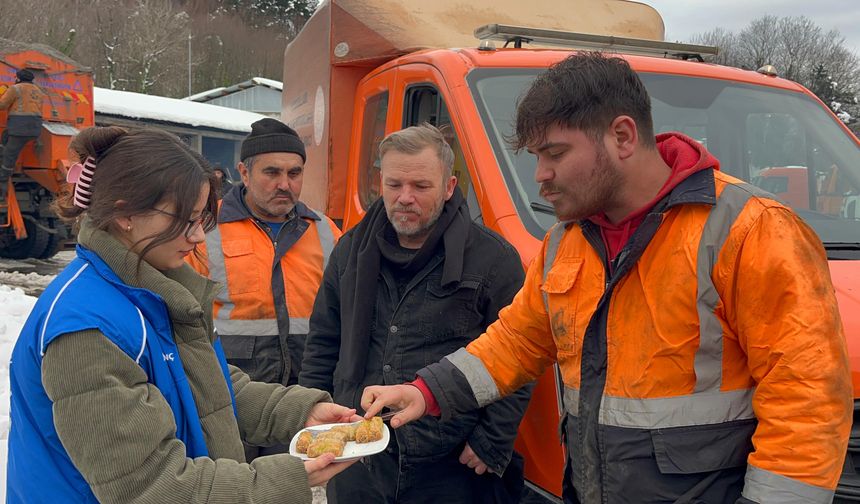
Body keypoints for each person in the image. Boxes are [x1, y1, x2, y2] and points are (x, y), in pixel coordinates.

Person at [361, 53, 852, 504]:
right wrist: (425, 393)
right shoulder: (566, 240)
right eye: (536, 156)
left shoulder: (750, 230)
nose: (541, 175)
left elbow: (806, 404)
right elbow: (517, 341)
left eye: (554, 153)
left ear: (621, 136)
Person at [7, 126, 359, 503]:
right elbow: (152, 487)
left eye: (201, 221)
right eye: (186, 221)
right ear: (127, 213)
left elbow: (210, 385)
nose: (196, 238)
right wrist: (286, 478)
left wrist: (301, 412)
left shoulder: (153, 285)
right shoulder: (87, 330)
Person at [299, 124, 533, 504]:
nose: (405, 197)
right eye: (394, 185)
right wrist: (309, 412)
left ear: (449, 187)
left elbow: (520, 355)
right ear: (380, 183)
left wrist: (492, 440)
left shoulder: (494, 261)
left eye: (421, 186)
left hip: (451, 465)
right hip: (360, 460)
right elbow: (324, 341)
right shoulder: (349, 252)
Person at [188, 117, 341, 459]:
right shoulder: (204, 228)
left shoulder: (325, 230)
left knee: (284, 487)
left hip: (296, 399)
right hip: (225, 400)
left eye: (294, 173)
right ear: (244, 172)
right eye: (271, 172)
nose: (284, 184)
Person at [0, 68, 45, 201]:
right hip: (35, 129)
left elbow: (2, 105)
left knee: (9, 155)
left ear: (18, 78)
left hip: (20, 127)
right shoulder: (38, 91)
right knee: (6, 136)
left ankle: (2, 185)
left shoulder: (15, 88)